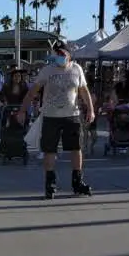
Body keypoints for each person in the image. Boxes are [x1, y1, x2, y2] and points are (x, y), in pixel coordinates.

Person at [16, 42, 95, 199]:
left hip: (71, 115)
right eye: (56, 54)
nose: (59, 57)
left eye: (62, 54)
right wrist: (22, 110)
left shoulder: (76, 69)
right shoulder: (47, 70)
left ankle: (77, 182)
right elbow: (33, 92)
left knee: (76, 148)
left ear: (69, 55)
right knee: (49, 150)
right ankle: (50, 184)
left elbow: (84, 90)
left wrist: (91, 110)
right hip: (51, 116)